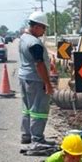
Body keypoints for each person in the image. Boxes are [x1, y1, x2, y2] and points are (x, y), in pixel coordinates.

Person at [18, 11, 54, 147]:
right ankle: (37, 140)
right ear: (36, 26)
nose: (44, 31)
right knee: (39, 110)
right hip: (36, 80)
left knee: (28, 108)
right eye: (43, 28)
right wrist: (47, 83)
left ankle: (27, 135)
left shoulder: (23, 38)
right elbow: (39, 64)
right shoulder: (35, 43)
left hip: (24, 78)